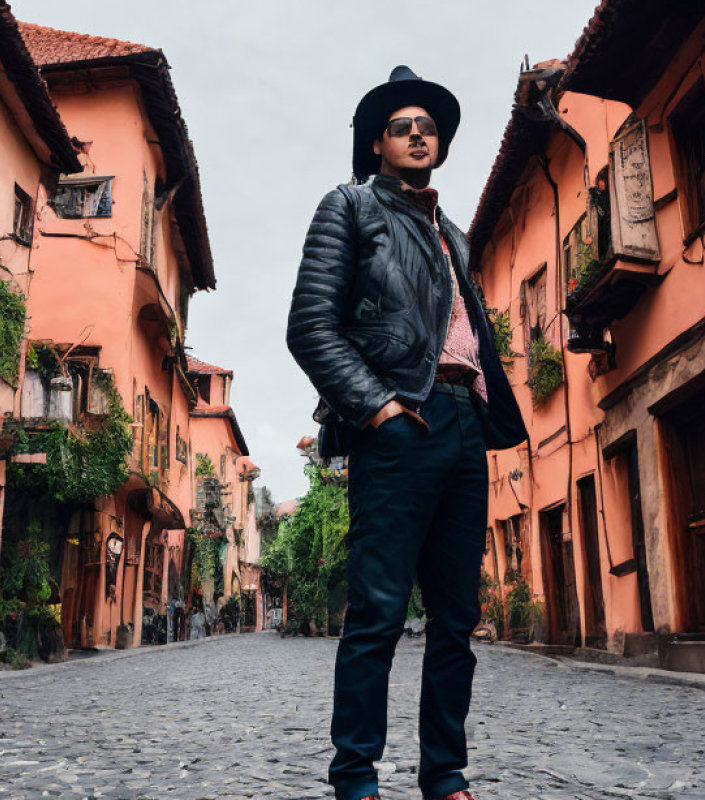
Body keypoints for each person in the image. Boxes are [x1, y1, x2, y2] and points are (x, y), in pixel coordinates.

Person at [286, 66, 528, 800]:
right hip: (399, 422)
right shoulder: (350, 207)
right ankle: (355, 774)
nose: (418, 132)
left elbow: (464, 335)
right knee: (379, 612)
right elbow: (311, 328)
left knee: (456, 617)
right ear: (377, 144)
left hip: (462, 423)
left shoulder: (452, 234)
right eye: (402, 125)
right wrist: (378, 409)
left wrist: (483, 409)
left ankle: (444, 773)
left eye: (429, 125)